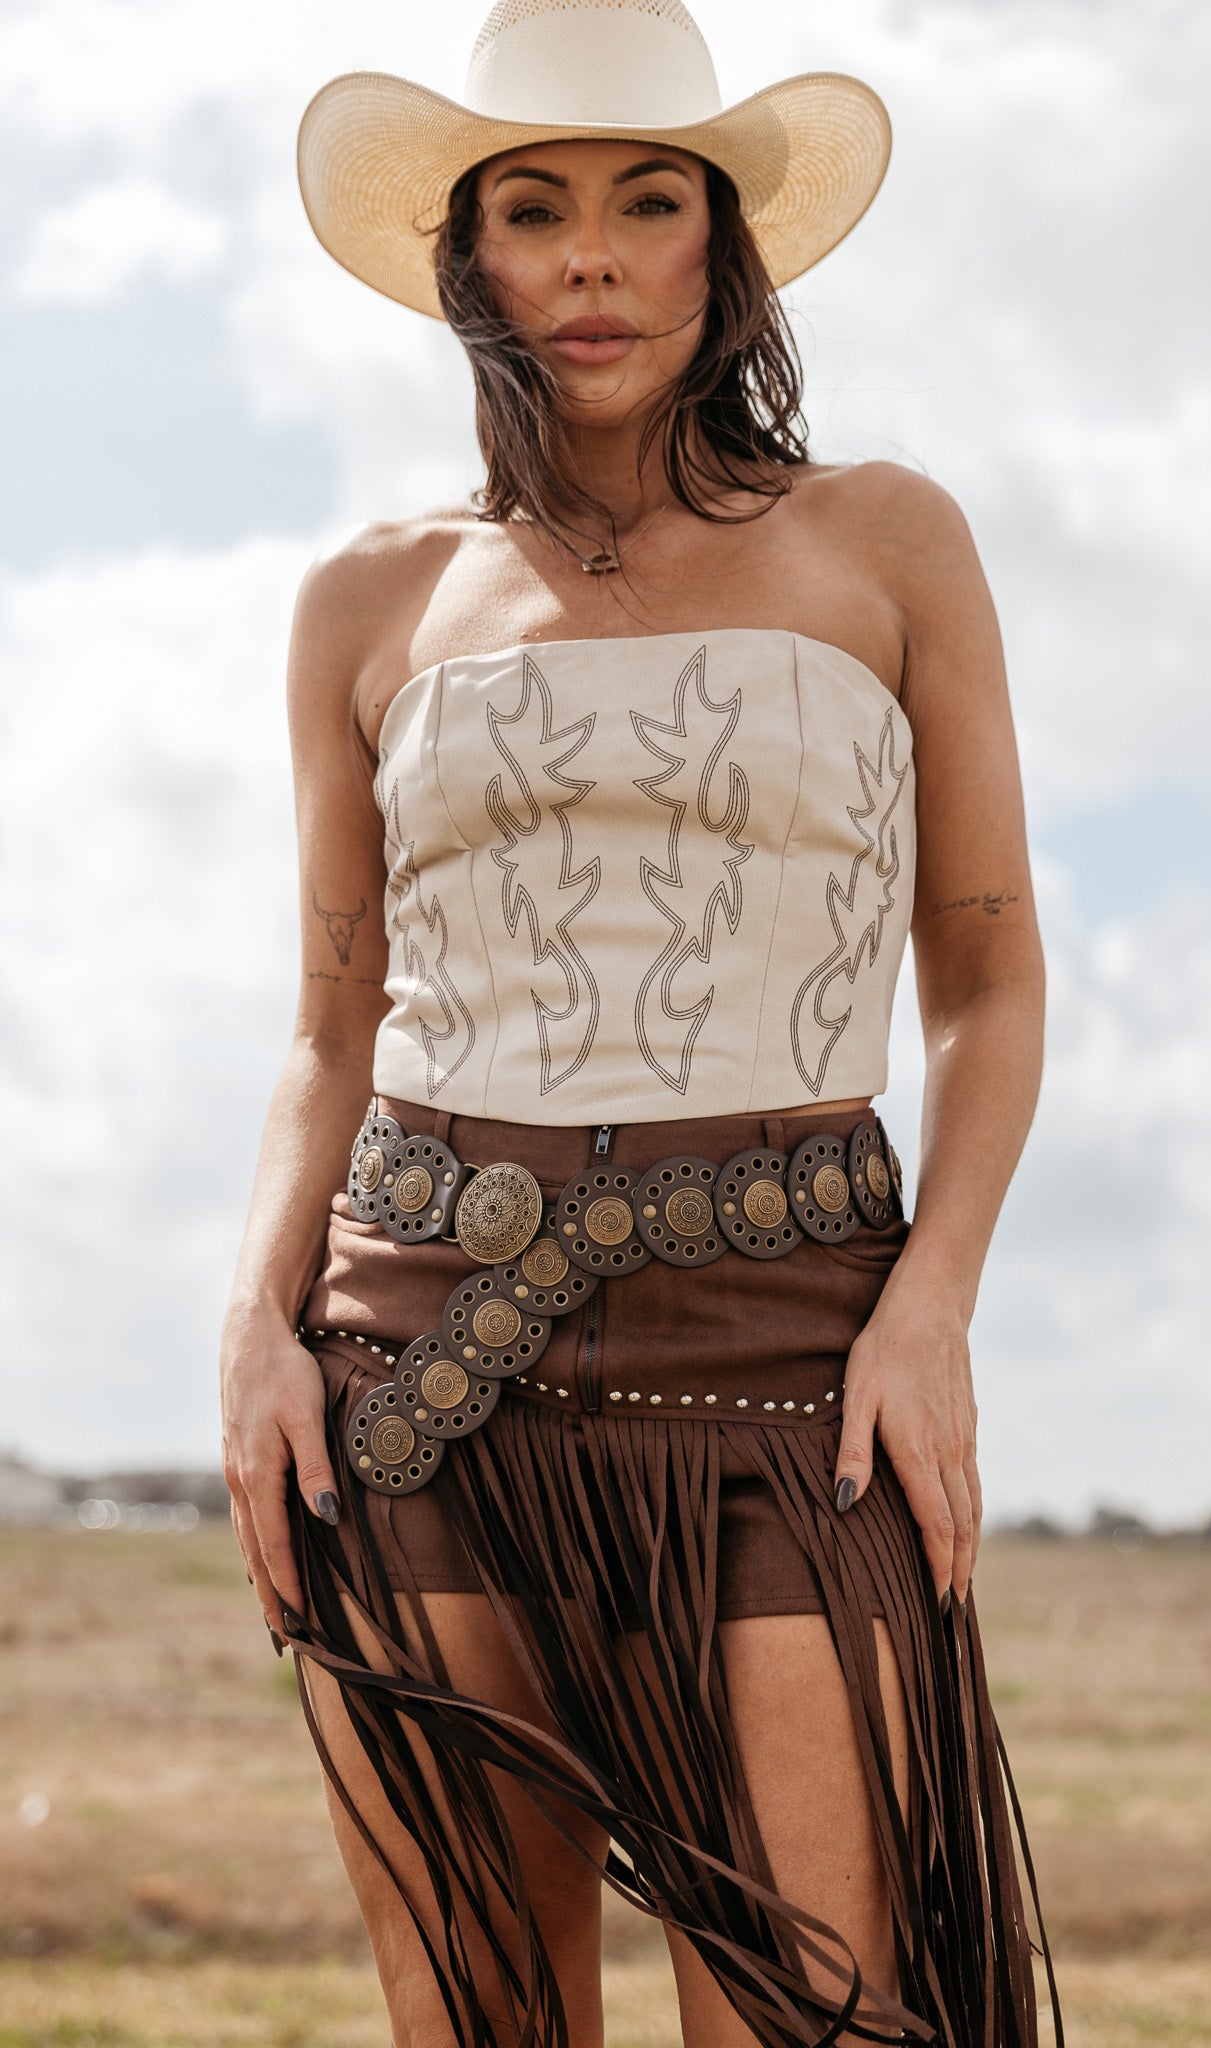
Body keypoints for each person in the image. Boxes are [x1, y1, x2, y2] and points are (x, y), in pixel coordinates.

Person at [219, 2, 1064, 2043]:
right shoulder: (367, 598)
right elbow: (333, 1025)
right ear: (469, 258)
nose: (589, 257)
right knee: (481, 2022)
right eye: (532, 209)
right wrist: (254, 1324)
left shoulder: (886, 540)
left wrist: (931, 1303)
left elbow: (984, 976)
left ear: (721, 242)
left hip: (788, 1351)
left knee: (816, 2013)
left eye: (646, 201)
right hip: (419, 1359)